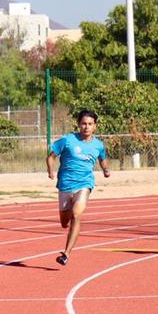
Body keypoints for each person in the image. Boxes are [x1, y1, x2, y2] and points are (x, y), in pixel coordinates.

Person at [46, 109, 110, 266]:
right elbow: (51, 156)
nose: (86, 127)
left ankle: (66, 254)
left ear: (95, 126)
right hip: (65, 185)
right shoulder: (68, 140)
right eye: (83, 124)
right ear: (78, 124)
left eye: (90, 124)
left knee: (76, 214)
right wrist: (51, 171)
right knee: (64, 222)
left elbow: (102, 158)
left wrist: (105, 169)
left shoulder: (98, 145)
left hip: (85, 184)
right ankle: (66, 222)